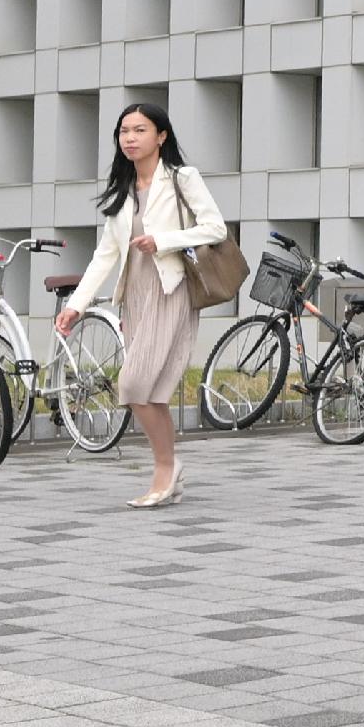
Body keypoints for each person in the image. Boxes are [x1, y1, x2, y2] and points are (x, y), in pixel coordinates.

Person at [61, 102, 226, 510]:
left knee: (134, 384)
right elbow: (105, 255)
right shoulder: (124, 188)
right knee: (149, 391)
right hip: (135, 297)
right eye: (124, 131)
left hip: (170, 290)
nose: (130, 138)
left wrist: (163, 241)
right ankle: (168, 471)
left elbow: (215, 228)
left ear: (161, 136)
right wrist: (76, 306)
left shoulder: (182, 178)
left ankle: (165, 470)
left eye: (140, 130)